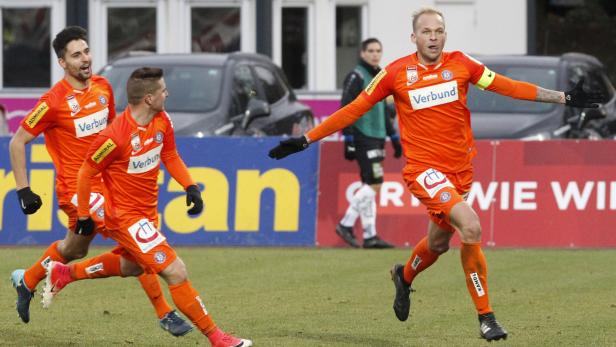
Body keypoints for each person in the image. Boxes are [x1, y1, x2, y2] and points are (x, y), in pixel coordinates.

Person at [268, 7, 603, 342]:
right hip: (424, 171)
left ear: (445, 35)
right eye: (426, 32)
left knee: (439, 243)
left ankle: (404, 276)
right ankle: (486, 316)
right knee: (470, 226)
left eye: (438, 31)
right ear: (413, 37)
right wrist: (306, 139)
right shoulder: (395, 73)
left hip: (461, 170)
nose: (433, 37)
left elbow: (507, 86)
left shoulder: (462, 64)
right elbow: (354, 108)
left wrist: (565, 97)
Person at [43, 67, 252, 347]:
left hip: (147, 213)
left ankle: (65, 273)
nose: (167, 93)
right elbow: (85, 173)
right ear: (149, 99)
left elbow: (170, 154)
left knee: (131, 266)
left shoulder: (162, 119)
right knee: (176, 271)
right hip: (124, 217)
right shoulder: (115, 136)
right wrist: (83, 216)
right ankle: (218, 338)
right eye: (163, 90)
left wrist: (190, 186)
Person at [8, 26, 191, 336]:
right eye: (76, 55)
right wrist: (23, 190)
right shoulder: (53, 102)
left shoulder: (104, 88)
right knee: (135, 242)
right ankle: (165, 312)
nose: (85, 59)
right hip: (77, 189)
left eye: (87, 51)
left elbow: (112, 135)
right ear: (62, 63)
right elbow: (17, 142)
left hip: (109, 185)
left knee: (74, 249)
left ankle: (27, 280)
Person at [336, 37, 400, 249]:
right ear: (362, 53)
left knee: (369, 185)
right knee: (375, 182)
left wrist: (394, 137)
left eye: (378, 50)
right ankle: (346, 224)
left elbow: (383, 111)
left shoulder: (380, 76)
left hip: (378, 136)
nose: (374, 54)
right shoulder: (356, 76)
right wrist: (349, 138)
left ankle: (370, 235)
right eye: (370, 50)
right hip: (363, 136)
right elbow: (345, 107)